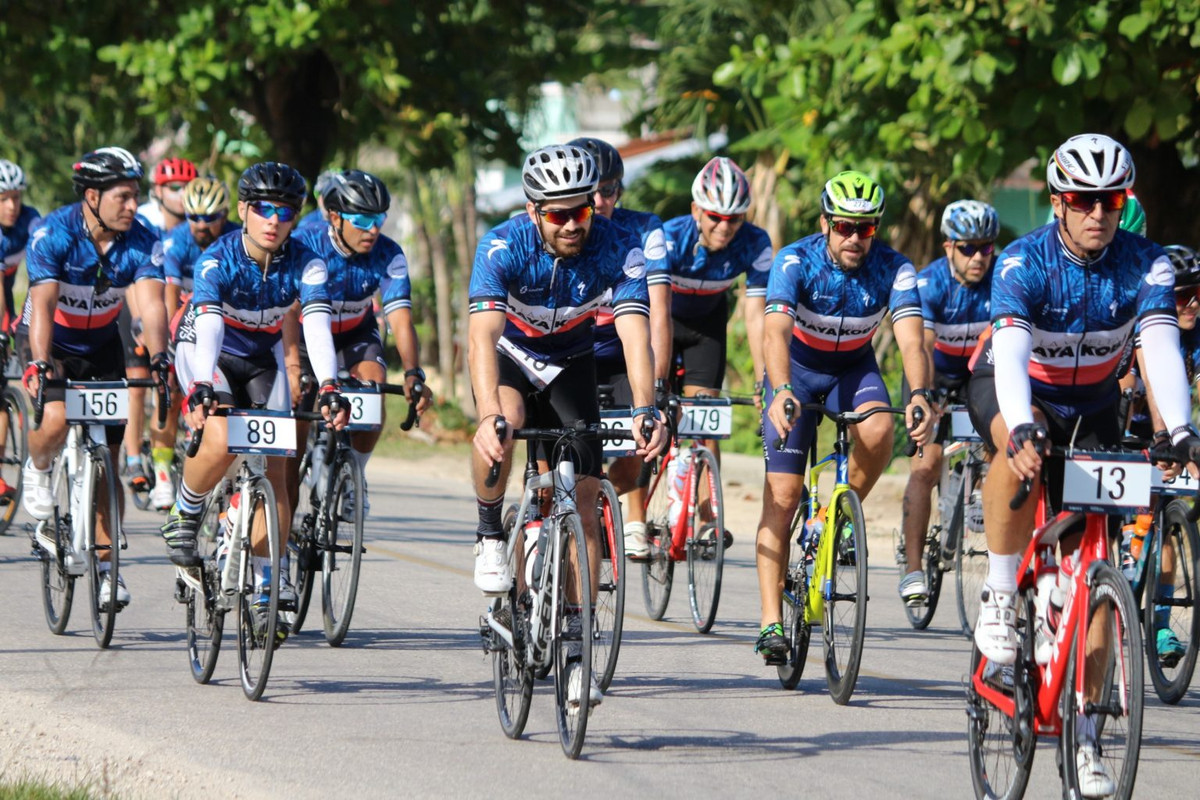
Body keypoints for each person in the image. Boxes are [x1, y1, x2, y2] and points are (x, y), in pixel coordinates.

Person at [967, 134, 1200, 797]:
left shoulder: (1145, 264)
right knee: (1019, 460)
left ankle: (1089, 736)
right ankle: (1003, 588)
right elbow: (1009, 354)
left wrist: (1178, 430)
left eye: (1111, 199)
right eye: (1082, 199)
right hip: (1022, 389)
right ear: (1058, 200)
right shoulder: (1023, 262)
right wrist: (1018, 426)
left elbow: (1159, 346)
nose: (1098, 212)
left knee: (1100, 567)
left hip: (1094, 403)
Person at [468, 144, 665, 711]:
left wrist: (646, 406)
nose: (573, 224)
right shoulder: (503, 246)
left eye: (581, 210)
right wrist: (487, 417)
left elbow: (634, 332)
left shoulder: (616, 245)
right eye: (558, 214)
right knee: (507, 426)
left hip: (573, 361)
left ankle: (577, 649)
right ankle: (488, 530)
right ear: (534, 212)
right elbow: (482, 336)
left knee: (583, 499)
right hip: (513, 354)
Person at [162, 161, 348, 642]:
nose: (274, 220)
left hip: (262, 357)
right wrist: (202, 382)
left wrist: (328, 383)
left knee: (281, 468)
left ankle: (267, 585)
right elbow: (208, 325)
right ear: (243, 210)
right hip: (208, 348)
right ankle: (185, 511)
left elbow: (315, 324)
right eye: (263, 209)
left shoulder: (307, 262)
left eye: (285, 211)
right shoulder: (215, 259)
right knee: (222, 436)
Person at [754, 169, 934, 663]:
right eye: (845, 227)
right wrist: (781, 388)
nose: (855, 238)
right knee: (784, 494)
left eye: (866, 228)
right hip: (797, 371)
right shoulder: (795, 260)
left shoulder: (894, 270)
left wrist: (919, 392)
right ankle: (771, 621)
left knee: (881, 428)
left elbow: (911, 337)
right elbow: (775, 334)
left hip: (853, 369)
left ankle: (840, 512)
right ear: (825, 223)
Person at [20, 146, 170, 609]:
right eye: (123, 196)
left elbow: (151, 306)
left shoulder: (143, 239)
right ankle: (39, 466)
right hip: (52, 340)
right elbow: (42, 305)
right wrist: (41, 363)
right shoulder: (53, 233)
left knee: (106, 457)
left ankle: (107, 568)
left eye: (136, 196)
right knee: (58, 418)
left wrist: (161, 357)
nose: (132, 205)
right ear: (91, 196)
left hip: (103, 344)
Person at [292, 169, 432, 513]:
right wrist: (292, 362)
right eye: (362, 220)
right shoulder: (305, 243)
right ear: (335, 217)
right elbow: (288, 310)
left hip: (357, 330)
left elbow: (400, 316)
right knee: (294, 431)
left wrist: (414, 371)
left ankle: (355, 475)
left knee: (373, 390)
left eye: (379, 218)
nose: (373, 229)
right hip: (308, 334)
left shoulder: (389, 253)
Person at [567, 136, 671, 559]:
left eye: (608, 190)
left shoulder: (645, 230)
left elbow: (658, 314)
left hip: (624, 350)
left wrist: (658, 388)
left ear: (619, 191)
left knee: (644, 442)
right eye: (590, 191)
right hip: (573, 349)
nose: (599, 200)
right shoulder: (567, 229)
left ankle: (604, 499)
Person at [897, 200, 998, 605]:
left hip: (978, 375)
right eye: (967, 248)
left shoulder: (1004, 279)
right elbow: (920, 344)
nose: (978, 257)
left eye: (986, 248)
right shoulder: (930, 284)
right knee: (925, 467)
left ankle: (980, 492)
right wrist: (925, 395)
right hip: (932, 374)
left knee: (1001, 447)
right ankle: (913, 571)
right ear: (948, 247)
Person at [656, 158, 771, 473]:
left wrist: (765, 380)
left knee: (703, 425)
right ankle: (637, 520)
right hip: (662, 321)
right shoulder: (669, 239)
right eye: (715, 217)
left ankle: (709, 519)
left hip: (706, 327)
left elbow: (756, 315)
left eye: (734, 219)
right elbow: (657, 308)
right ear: (696, 210)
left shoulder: (755, 242)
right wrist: (655, 380)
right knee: (653, 417)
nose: (724, 227)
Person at [146, 177, 240, 510]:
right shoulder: (176, 242)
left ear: (225, 213)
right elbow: (170, 299)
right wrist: (170, 352)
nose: (201, 225)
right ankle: (161, 473)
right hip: (183, 322)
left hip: (223, 324)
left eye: (209, 217)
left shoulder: (236, 238)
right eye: (193, 217)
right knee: (169, 394)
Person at [124, 157, 197, 496]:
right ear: (158, 191)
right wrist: (141, 321)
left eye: (187, 187)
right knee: (139, 382)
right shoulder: (144, 222)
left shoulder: (198, 224)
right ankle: (135, 455)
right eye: (174, 188)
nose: (182, 195)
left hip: (179, 310)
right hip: (140, 300)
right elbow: (135, 278)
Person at [0, 160, 41, 503]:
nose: (11, 206)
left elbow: (42, 274)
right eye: (3, 199)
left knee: (1, 390)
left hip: (5, 303)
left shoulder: (30, 219)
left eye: (15, 197)